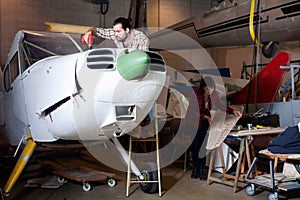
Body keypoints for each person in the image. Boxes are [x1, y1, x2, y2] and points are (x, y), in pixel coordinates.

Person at [185, 76, 242, 180]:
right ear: (203, 88)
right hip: (193, 121)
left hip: (205, 121)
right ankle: (195, 169)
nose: (209, 91)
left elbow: (220, 105)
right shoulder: (195, 94)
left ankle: (202, 169)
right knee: (196, 146)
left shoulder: (214, 94)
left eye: (210, 89)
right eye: (207, 89)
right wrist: (205, 116)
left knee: (203, 145)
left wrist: (232, 110)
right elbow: (193, 111)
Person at [84, 17, 149, 51]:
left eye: (118, 31)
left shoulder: (141, 38)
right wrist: (89, 32)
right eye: (114, 31)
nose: (115, 34)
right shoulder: (115, 34)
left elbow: (143, 59)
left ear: (127, 30)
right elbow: (96, 30)